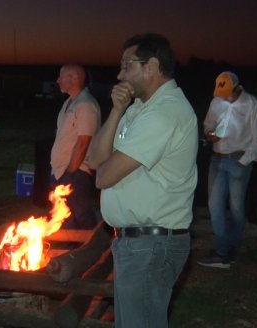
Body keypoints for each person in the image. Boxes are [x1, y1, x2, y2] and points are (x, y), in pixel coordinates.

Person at [88, 33, 198, 328]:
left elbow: (104, 176)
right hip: (138, 244)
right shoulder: (138, 109)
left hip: (151, 246)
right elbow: (95, 160)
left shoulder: (165, 112)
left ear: (150, 66)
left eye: (126, 66)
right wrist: (115, 111)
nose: (119, 74)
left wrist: (103, 169)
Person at [197, 71, 257, 269]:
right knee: (214, 206)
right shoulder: (216, 102)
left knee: (236, 207)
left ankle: (232, 249)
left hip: (238, 159)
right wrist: (210, 135)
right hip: (217, 158)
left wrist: (243, 161)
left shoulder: (253, 105)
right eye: (221, 92)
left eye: (227, 92)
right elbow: (208, 125)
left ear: (237, 88)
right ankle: (221, 251)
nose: (224, 97)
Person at [50, 64, 101, 229]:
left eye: (61, 76)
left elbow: (83, 142)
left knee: (82, 216)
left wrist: (70, 173)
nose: (57, 80)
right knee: (66, 218)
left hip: (75, 173)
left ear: (75, 78)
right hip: (61, 171)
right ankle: (68, 252)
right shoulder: (70, 103)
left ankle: (96, 250)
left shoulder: (86, 105)